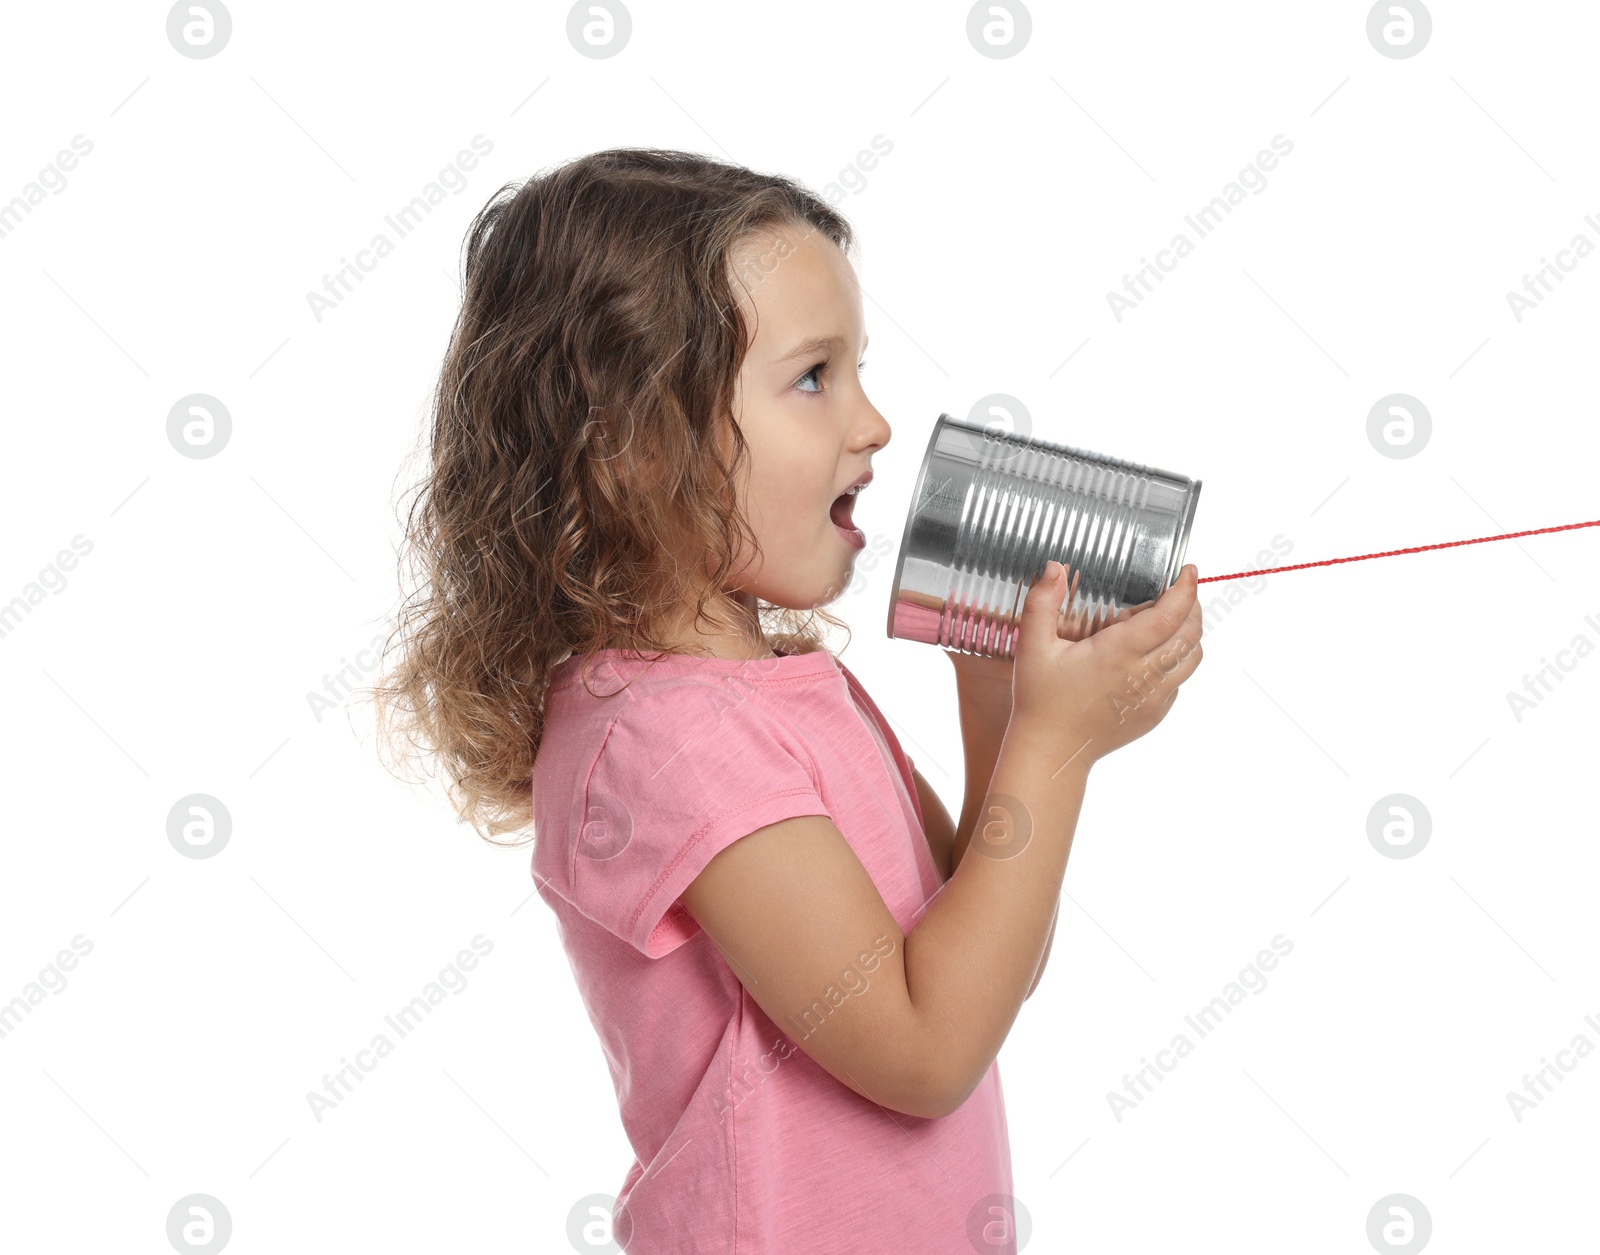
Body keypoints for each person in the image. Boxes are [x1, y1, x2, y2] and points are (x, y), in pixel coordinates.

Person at [371, 146, 1204, 1252]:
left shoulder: (780, 690)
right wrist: (1058, 745)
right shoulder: (670, 744)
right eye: (815, 377)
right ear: (633, 446)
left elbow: (983, 961)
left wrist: (1000, 701)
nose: (873, 424)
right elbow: (924, 1048)